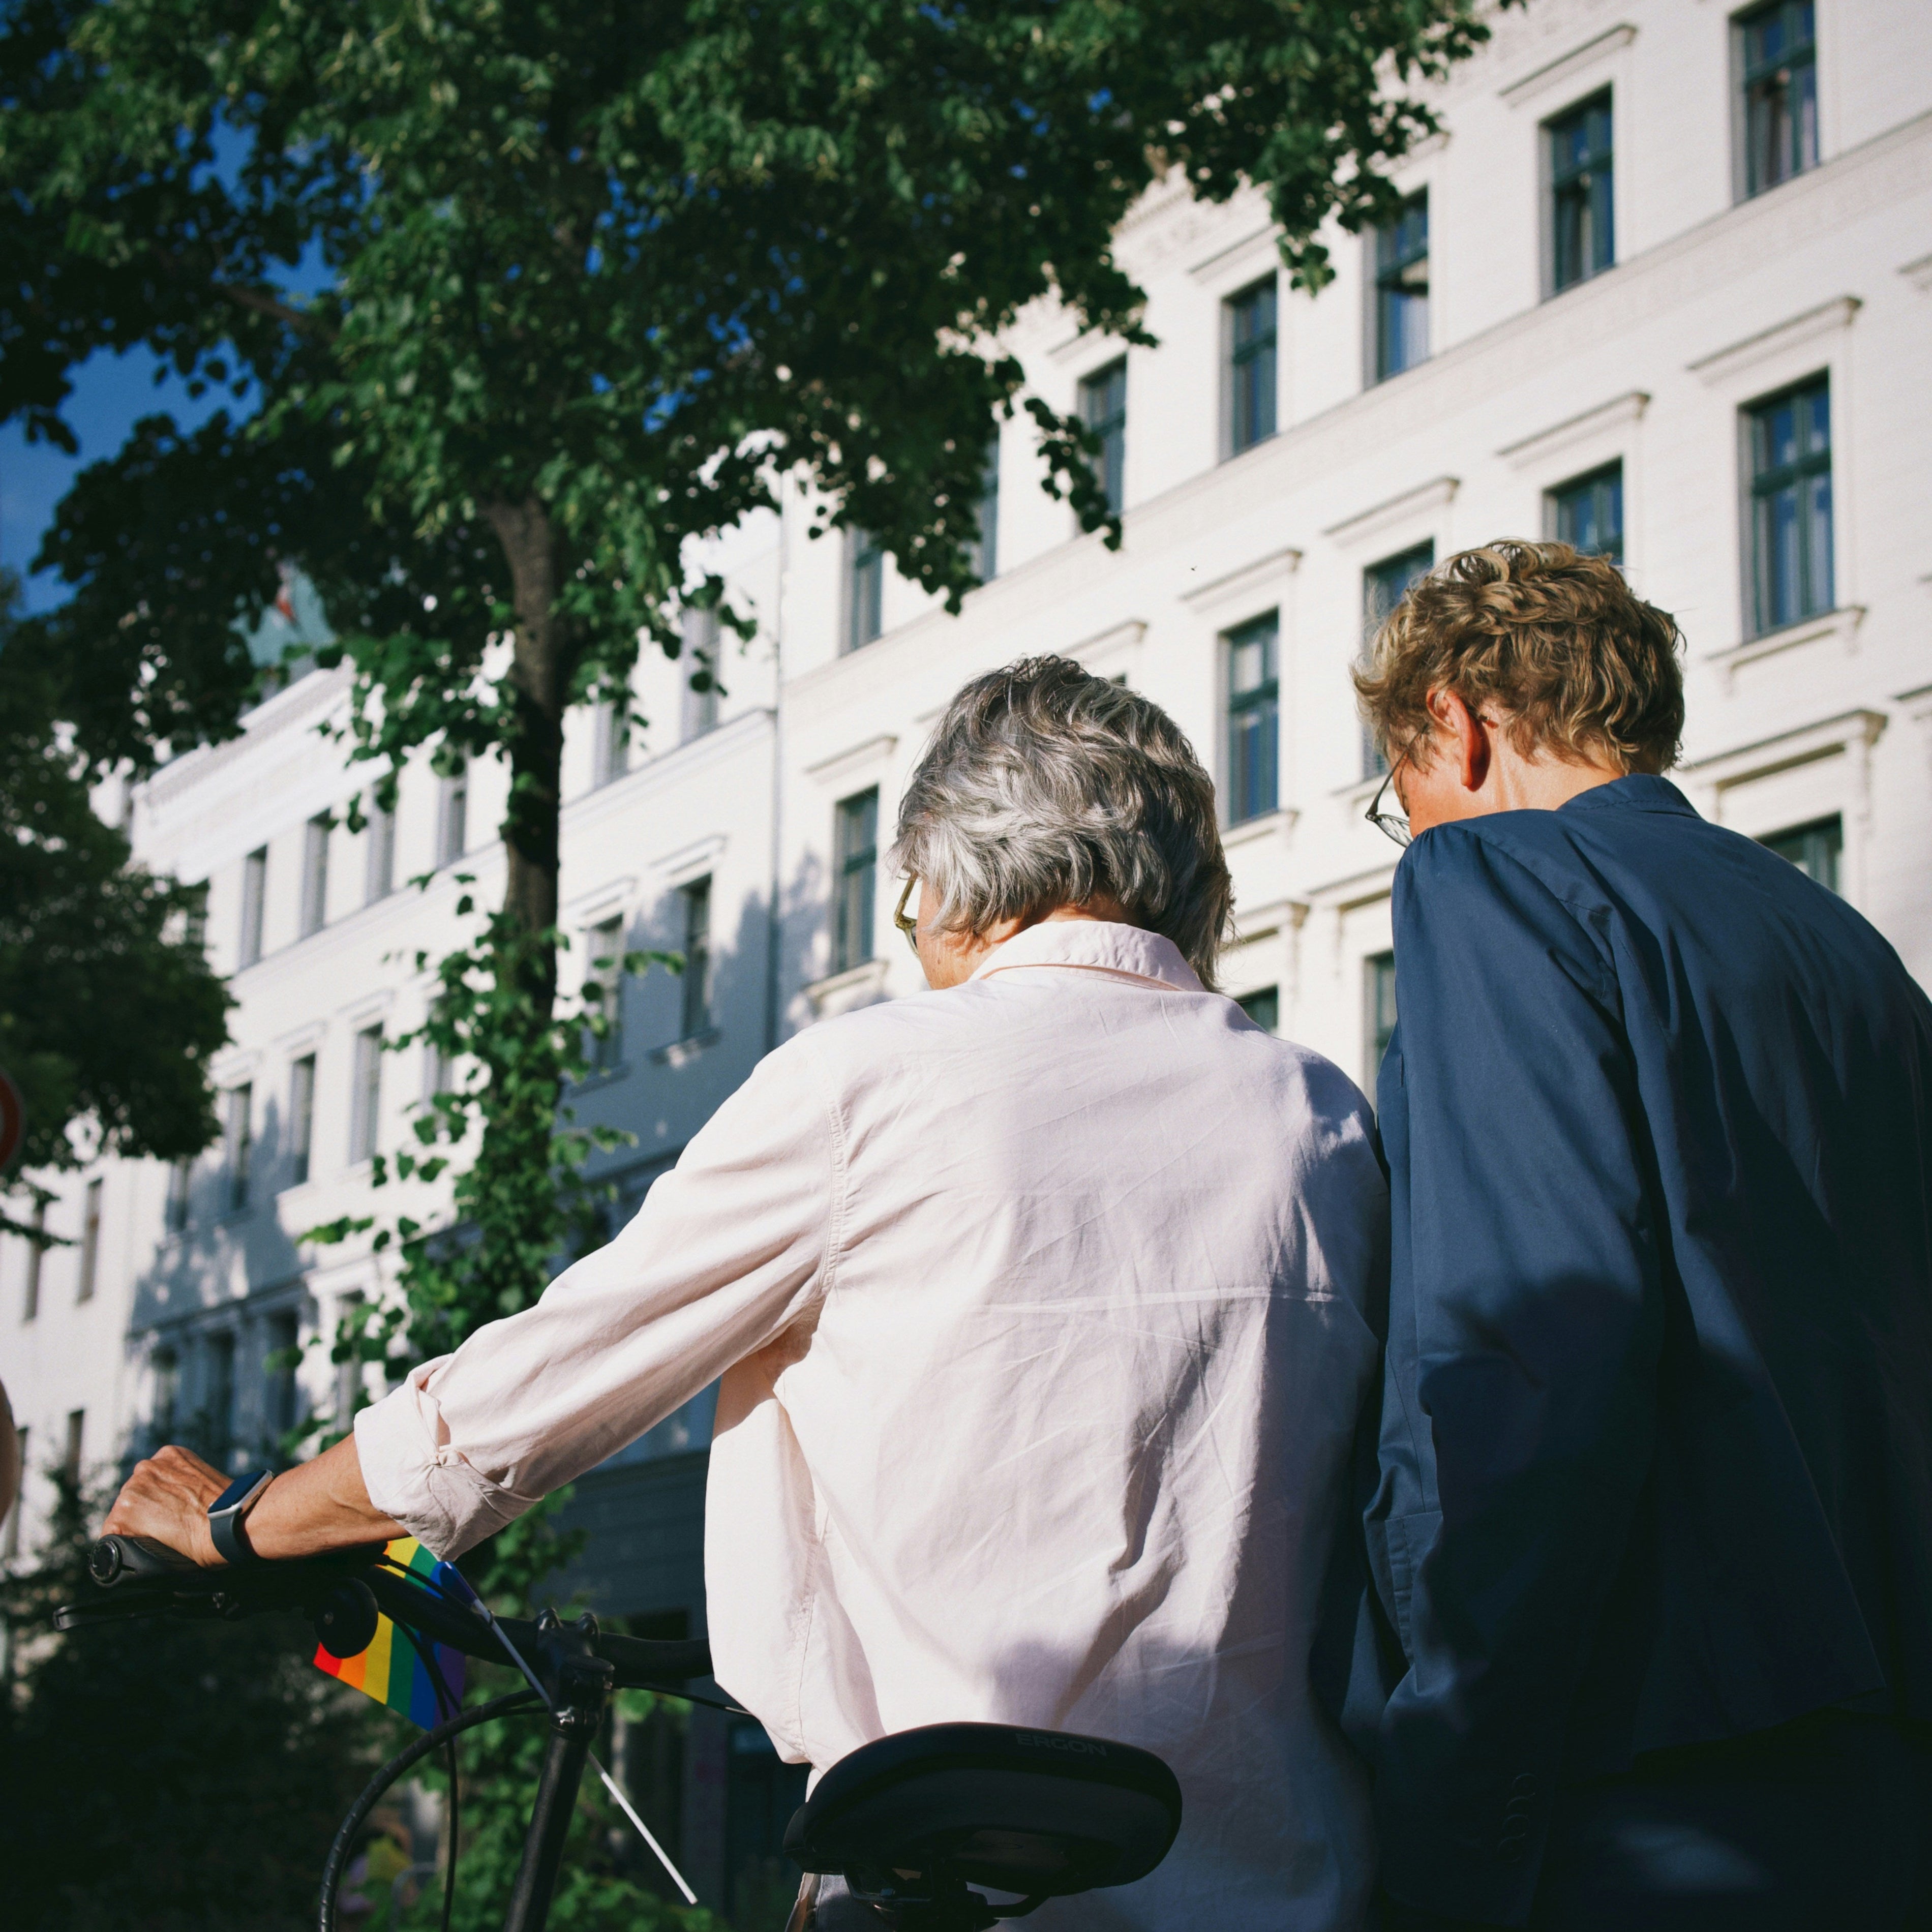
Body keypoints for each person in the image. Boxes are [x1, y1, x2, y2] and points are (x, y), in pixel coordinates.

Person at [108, 657, 1390, 1931]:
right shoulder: (1318, 1112)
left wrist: (245, 1522)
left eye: (908, 896)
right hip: (1280, 1875)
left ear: (956, 876)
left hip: (955, 1886)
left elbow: (538, 1388)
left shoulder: (869, 1085)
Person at [1351, 542, 1932, 1931]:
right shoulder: (1848, 946)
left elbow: (1535, 1342)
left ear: (1459, 724)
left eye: (1399, 792)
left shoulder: (1495, 880)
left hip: (1642, 1763)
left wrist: (1451, 1775)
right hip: (1878, 1764)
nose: (1413, 825)